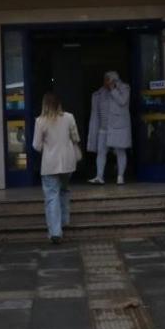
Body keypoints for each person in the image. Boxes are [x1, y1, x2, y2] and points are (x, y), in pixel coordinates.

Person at [32, 92, 81, 244]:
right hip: (68, 163)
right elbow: (76, 138)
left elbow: (36, 145)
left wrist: (47, 148)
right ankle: (64, 221)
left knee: (51, 196)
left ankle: (55, 232)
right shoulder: (69, 117)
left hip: (50, 164)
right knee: (64, 190)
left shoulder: (40, 121)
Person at [87, 71, 132, 185]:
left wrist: (113, 89)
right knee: (101, 152)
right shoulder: (100, 93)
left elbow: (122, 101)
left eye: (108, 80)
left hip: (118, 127)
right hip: (103, 128)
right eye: (105, 80)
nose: (105, 82)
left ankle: (120, 176)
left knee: (120, 151)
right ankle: (99, 176)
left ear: (113, 80)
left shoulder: (124, 88)